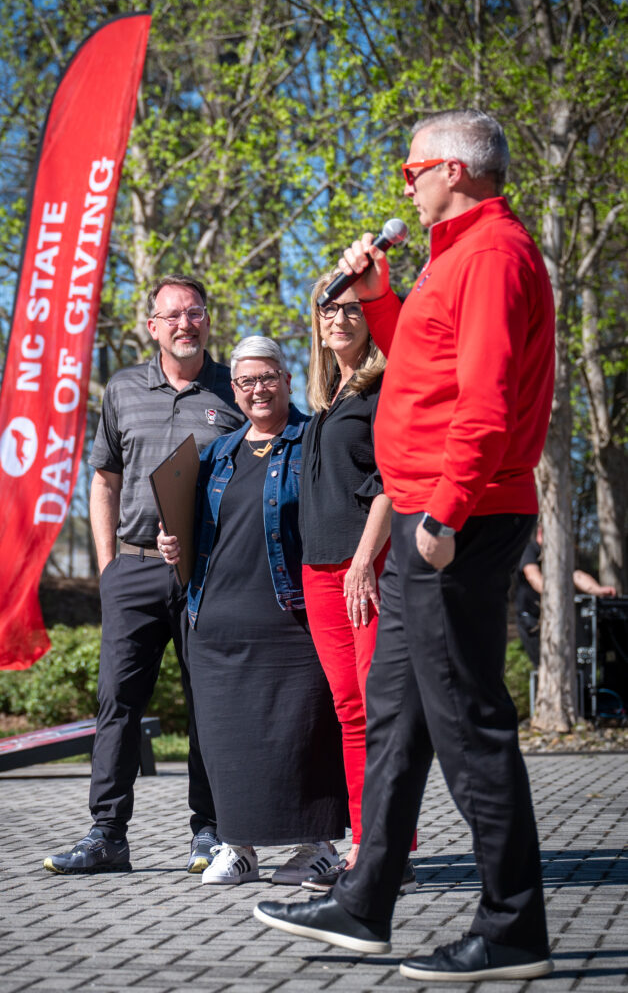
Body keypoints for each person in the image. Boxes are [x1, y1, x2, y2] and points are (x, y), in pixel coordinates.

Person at [255, 109, 557, 982]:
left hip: (454, 522)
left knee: (469, 724)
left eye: (411, 168)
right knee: (393, 722)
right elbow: (426, 368)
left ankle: (514, 927)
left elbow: (488, 401)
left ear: (454, 171)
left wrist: (447, 516)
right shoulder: (450, 261)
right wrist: (381, 294)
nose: (405, 185)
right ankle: (365, 899)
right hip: (434, 518)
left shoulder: (494, 256)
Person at [43, 274, 245, 876]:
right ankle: (107, 835)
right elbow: (103, 478)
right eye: (174, 315)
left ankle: (209, 834)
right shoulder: (124, 390)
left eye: (197, 312)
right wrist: (108, 568)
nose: (187, 323)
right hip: (132, 569)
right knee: (117, 705)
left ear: (208, 320)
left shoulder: (234, 389)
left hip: (207, 574)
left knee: (208, 704)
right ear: (152, 326)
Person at [158, 336, 348, 886]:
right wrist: (176, 548)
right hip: (215, 620)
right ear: (235, 391)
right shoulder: (217, 452)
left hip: (291, 615)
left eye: (268, 377)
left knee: (303, 735)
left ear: (288, 380)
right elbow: (198, 534)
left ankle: (317, 847)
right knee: (226, 738)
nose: (258, 389)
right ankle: (237, 846)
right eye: (246, 381)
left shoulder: (313, 440)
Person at [298, 273, 416, 893]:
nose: (338, 318)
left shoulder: (386, 384)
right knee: (349, 711)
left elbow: (394, 479)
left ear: (369, 317)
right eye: (328, 309)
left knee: (376, 710)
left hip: (365, 566)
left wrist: (366, 559)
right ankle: (364, 847)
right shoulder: (329, 396)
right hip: (318, 570)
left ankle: (387, 852)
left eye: (350, 308)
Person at [516, 524, 617, 666]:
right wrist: (554, 594)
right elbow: (533, 576)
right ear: (541, 533)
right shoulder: (531, 550)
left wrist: (598, 590)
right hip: (531, 619)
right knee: (543, 665)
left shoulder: (558, 555)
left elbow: (576, 576)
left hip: (556, 619)